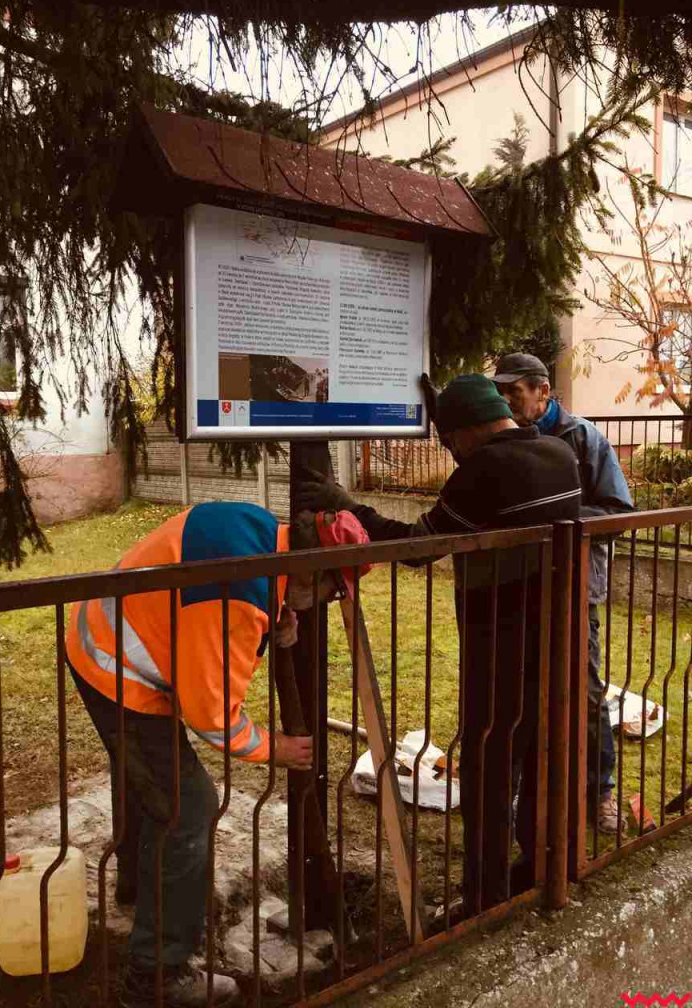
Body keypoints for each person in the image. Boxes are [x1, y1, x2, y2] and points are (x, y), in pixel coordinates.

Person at [66, 501, 370, 1008]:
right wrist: (278, 749)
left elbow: (209, 611)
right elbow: (210, 717)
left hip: (105, 632)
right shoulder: (236, 599)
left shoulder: (258, 534)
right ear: (309, 573)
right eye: (331, 590)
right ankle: (156, 975)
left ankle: (139, 892)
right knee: (189, 810)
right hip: (117, 667)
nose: (323, 603)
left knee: (151, 785)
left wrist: (274, 612)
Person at [298, 374, 582, 916]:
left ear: (467, 430)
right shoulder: (558, 452)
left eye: (449, 442)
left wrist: (347, 506)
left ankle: (484, 893)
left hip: (499, 631)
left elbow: (421, 547)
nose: (450, 454)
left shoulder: (484, 467)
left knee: (487, 755)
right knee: (546, 744)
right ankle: (550, 863)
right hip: (558, 628)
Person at [492, 352, 634, 833]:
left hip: (573, 585)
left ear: (543, 392)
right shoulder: (504, 438)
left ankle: (601, 792)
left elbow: (618, 510)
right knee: (518, 691)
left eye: (514, 393)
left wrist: (558, 527)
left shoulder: (584, 438)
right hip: (517, 584)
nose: (505, 402)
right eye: (500, 393)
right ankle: (521, 794)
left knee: (586, 690)